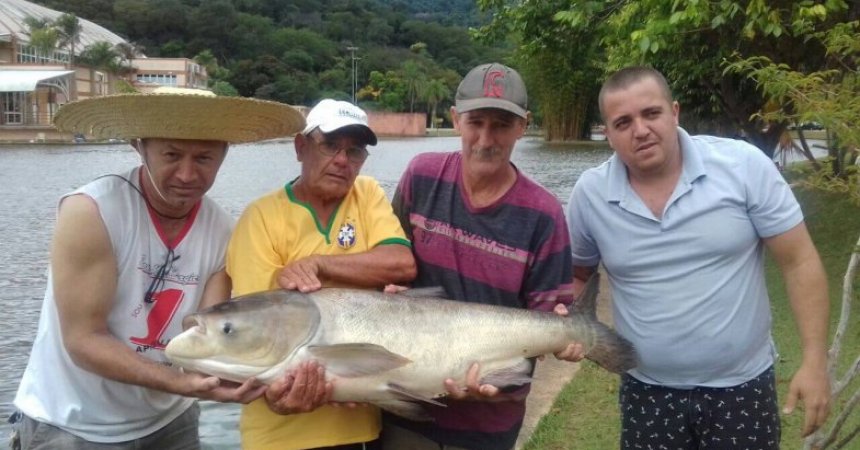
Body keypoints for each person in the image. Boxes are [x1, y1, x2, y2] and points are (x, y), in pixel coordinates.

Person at [11, 87, 305, 449]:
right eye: (171, 154)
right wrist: (181, 384)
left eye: (204, 158)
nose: (186, 174)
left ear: (224, 154)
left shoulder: (224, 232)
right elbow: (83, 340)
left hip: (170, 423)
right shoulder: (92, 212)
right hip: (74, 426)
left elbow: (205, 340)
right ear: (140, 146)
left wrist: (270, 383)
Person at [566, 66, 831, 449]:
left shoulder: (742, 167)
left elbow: (799, 261)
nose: (640, 130)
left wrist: (814, 361)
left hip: (742, 390)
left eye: (651, 113)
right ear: (607, 134)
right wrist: (566, 325)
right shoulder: (590, 195)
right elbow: (578, 275)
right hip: (647, 393)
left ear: (675, 112)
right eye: (623, 122)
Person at [383, 63, 584, 450]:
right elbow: (393, 262)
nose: (486, 139)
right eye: (476, 122)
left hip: (487, 425)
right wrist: (390, 288)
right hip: (406, 410)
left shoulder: (543, 214)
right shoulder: (420, 177)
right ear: (456, 119)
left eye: (501, 125)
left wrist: (566, 336)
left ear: (523, 126)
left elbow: (545, 321)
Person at [226, 98, 417, 450]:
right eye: (330, 145)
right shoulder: (261, 218)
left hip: (360, 428)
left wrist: (319, 264)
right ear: (301, 147)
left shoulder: (367, 193)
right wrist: (277, 397)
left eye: (355, 151)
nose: (342, 160)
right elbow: (250, 332)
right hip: (280, 435)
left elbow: (401, 263)